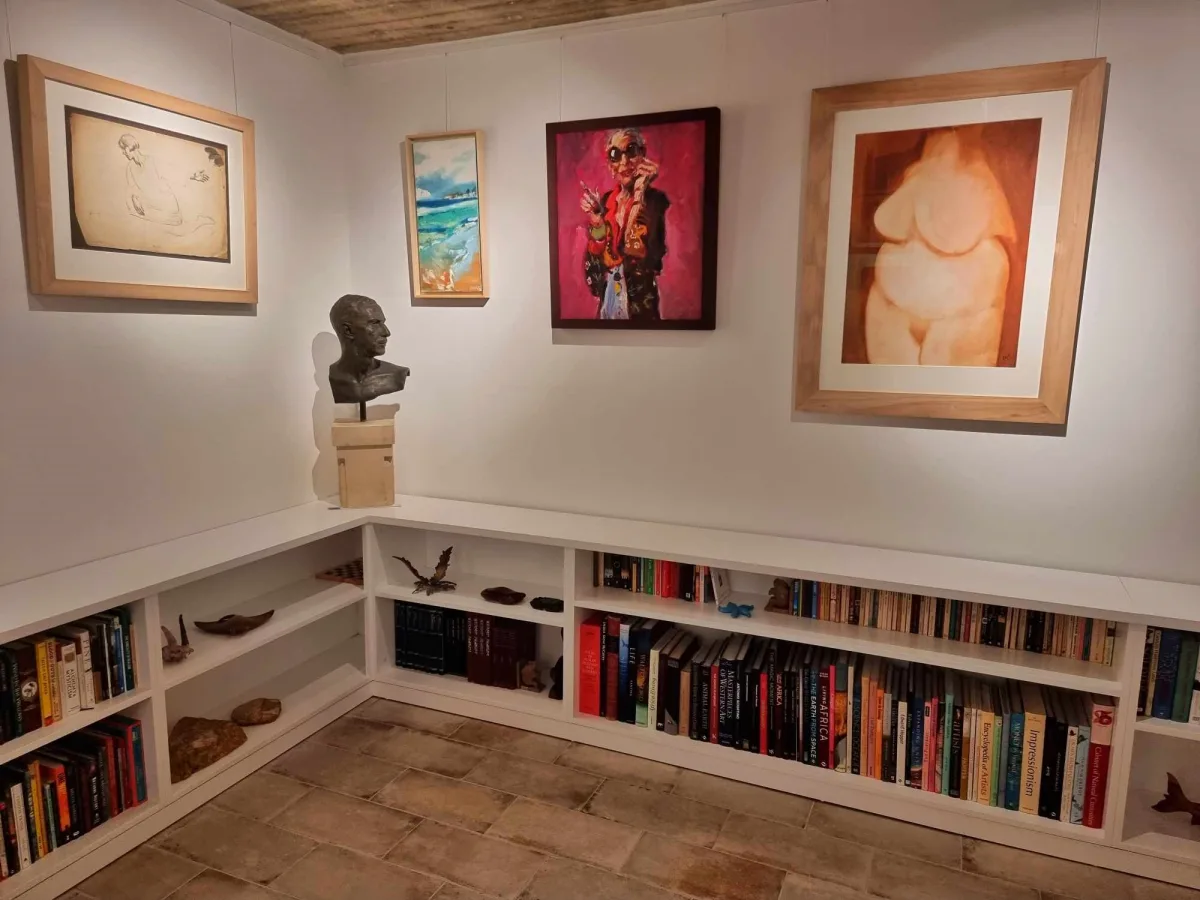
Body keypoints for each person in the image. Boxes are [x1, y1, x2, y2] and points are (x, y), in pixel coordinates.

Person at [580, 128, 669, 321]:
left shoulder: (655, 201)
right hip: (608, 305)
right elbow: (594, 275)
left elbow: (637, 250)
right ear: (610, 164)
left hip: (640, 310)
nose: (624, 161)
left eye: (631, 151)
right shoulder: (606, 202)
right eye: (615, 154)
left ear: (642, 155)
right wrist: (597, 223)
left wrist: (640, 193)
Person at [328, 294, 410, 406]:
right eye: (375, 323)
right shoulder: (334, 377)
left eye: (383, 323)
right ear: (348, 331)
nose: (386, 332)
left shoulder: (397, 374)